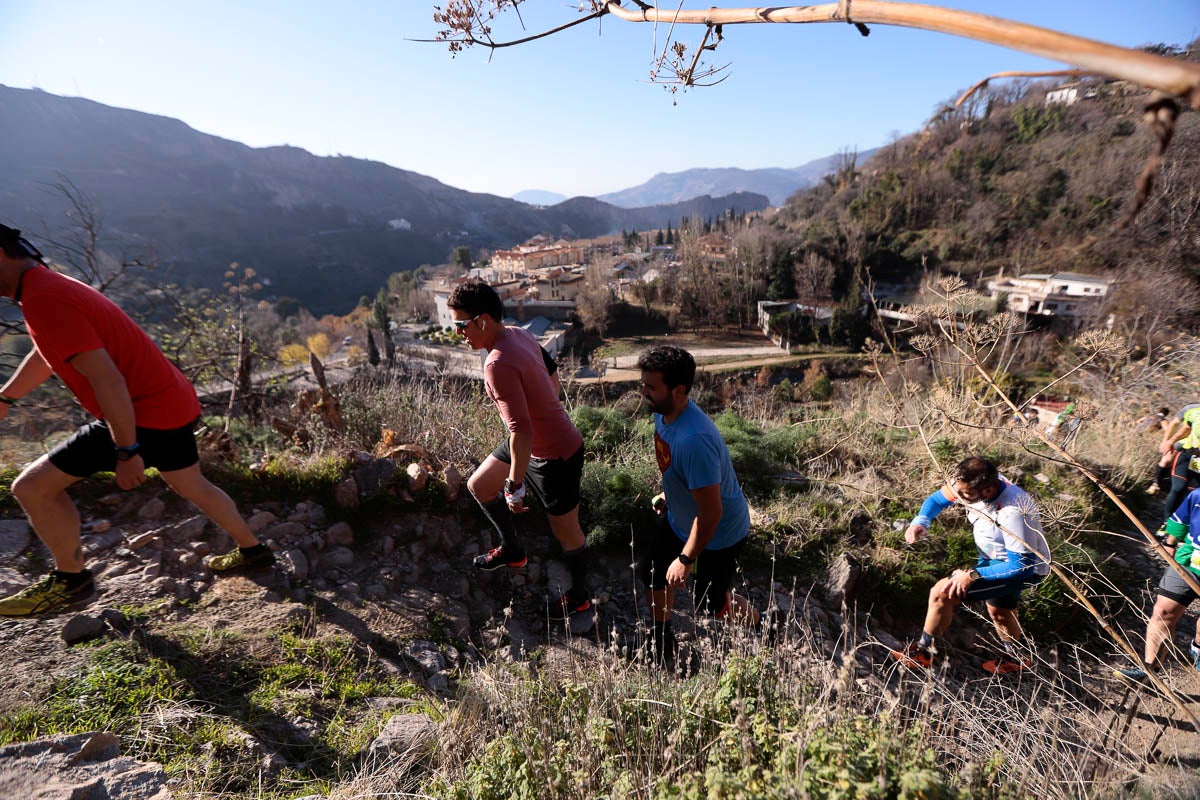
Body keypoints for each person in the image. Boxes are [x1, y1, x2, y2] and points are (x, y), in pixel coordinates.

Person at [0, 223, 273, 617]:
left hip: (142, 412)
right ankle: (254, 551)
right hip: (171, 401)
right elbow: (47, 352)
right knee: (190, 482)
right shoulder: (48, 286)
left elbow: (108, 379)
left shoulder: (44, 297)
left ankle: (70, 581)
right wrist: (7, 396)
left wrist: (127, 450)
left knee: (32, 488)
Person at [447, 278, 592, 621]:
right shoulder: (518, 333)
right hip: (528, 445)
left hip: (557, 454)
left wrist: (514, 485)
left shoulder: (497, 363)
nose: (458, 333)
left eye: (460, 325)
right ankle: (513, 552)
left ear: (482, 320)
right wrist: (541, 408)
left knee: (566, 532)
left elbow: (521, 429)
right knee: (479, 486)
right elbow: (552, 376)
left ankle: (580, 597)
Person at [636, 345, 762, 665]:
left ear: (679, 390)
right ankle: (662, 636)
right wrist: (671, 494)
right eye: (644, 383)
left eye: (651, 386)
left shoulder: (695, 440)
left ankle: (763, 627)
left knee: (709, 603)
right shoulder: (663, 412)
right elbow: (677, 469)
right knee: (650, 572)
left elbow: (711, 512)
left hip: (720, 531)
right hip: (683, 517)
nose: (644, 391)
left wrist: (685, 558)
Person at [891, 456, 1052, 674]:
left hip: (1023, 568)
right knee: (1000, 610)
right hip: (994, 557)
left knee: (941, 592)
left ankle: (923, 653)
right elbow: (937, 500)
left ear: (987, 490)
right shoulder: (971, 485)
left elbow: (1021, 566)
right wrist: (922, 520)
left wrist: (973, 575)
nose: (959, 497)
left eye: (965, 495)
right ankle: (1017, 660)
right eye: (958, 491)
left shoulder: (1013, 510)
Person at [1114, 487, 1200, 685]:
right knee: (1163, 612)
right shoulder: (1197, 496)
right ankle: (1149, 670)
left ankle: (1197, 648)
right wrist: (1169, 544)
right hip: (1187, 564)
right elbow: (1181, 521)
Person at [1155, 403, 1200, 545]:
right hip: (1187, 454)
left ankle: (1182, 530)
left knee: (1191, 496)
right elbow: (1185, 429)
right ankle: (1166, 523)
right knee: (1178, 488)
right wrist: (1169, 442)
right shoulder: (1193, 411)